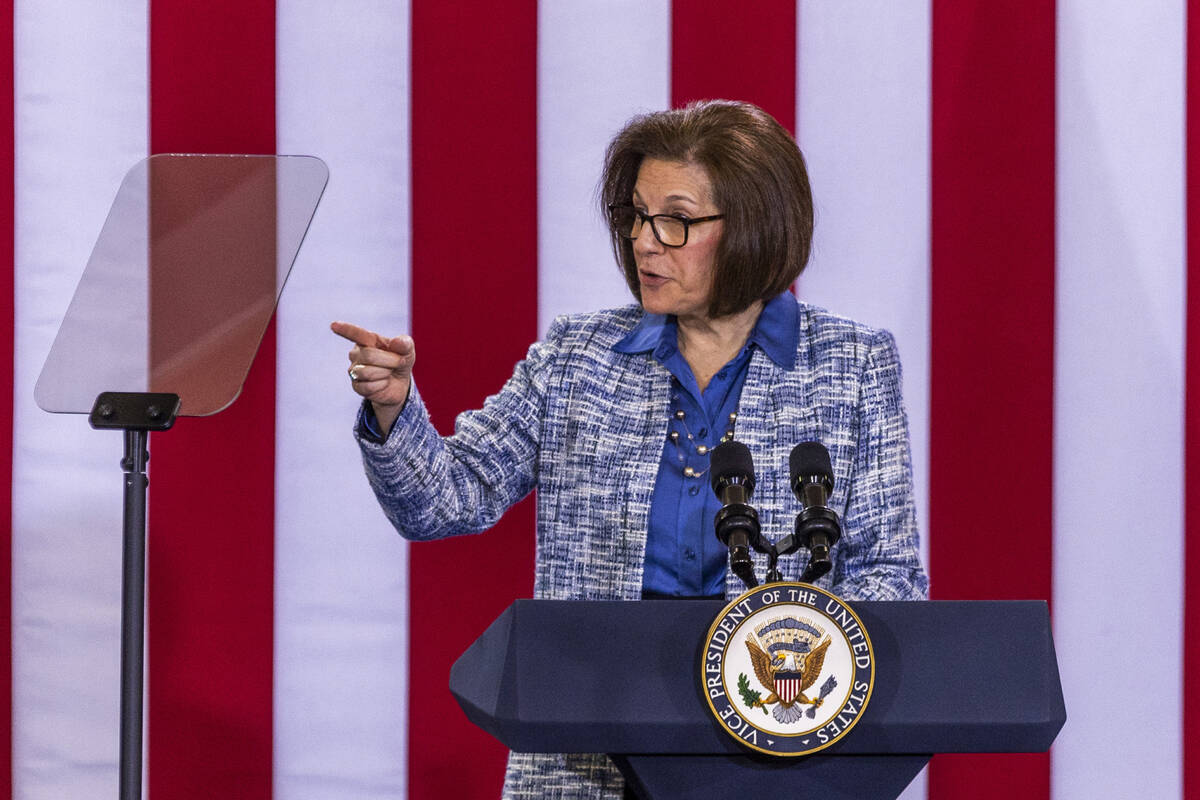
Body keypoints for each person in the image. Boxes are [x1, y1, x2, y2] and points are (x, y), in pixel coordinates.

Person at [332, 99, 928, 800]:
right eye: (637, 217)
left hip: (777, 757)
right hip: (589, 761)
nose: (647, 242)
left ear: (756, 227)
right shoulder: (578, 356)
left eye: (676, 220)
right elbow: (445, 498)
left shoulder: (852, 364)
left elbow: (887, 577)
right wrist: (394, 408)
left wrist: (796, 702)